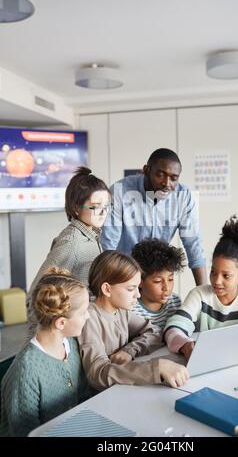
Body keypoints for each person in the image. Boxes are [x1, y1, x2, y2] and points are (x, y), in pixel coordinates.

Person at [164, 216, 238, 361]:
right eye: (213, 271)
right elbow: (174, 326)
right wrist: (185, 345)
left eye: (226, 276)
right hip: (207, 364)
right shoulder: (200, 295)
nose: (216, 280)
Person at [78, 251, 189, 392]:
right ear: (107, 289)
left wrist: (129, 351)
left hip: (120, 390)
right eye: (131, 289)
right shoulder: (89, 318)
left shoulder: (120, 310)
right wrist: (156, 368)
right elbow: (98, 374)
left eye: (137, 287)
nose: (137, 294)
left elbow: (154, 331)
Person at [0, 268, 91, 437]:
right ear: (61, 323)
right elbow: (24, 432)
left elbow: (83, 396)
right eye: (83, 312)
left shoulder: (71, 344)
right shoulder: (27, 371)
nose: (88, 317)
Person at [26, 166, 111, 339]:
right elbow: (36, 291)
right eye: (95, 206)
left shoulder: (91, 234)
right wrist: (39, 340)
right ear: (76, 208)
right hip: (63, 331)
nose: (103, 212)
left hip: (82, 325)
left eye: (107, 206)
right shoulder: (71, 242)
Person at [100, 148, 207, 286]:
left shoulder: (183, 196)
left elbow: (194, 246)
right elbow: (107, 246)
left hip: (156, 281)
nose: (167, 183)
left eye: (174, 178)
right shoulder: (120, 191)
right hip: (123, 275)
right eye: (160, 175)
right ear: (146, 170)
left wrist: (203, 295)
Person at [131, 238, 185, 330]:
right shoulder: (131, 309)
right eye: (158, 281)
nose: (166, 288)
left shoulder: (175, 302)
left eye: (170, 279)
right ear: (139, 281)